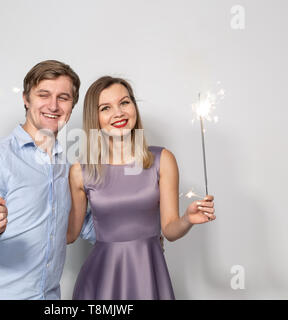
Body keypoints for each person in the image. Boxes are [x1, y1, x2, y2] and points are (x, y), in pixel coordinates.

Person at [66, 76, 216, 300]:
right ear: (94, 117)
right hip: (100, 281)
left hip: (149, 275)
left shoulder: (162, 159)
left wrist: (187, 218)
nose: (119, 113)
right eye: (106, 108)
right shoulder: (81, 171)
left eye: (124, 102)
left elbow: (170, 230)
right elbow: (69, 235)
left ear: (134, 106)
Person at [0, 60, 94, 299]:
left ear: (72, 105)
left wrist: (142, 232)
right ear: (26, 99)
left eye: (63, 97)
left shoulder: (67, 167)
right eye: (43, 94)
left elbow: (82, 224)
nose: (53, 105)